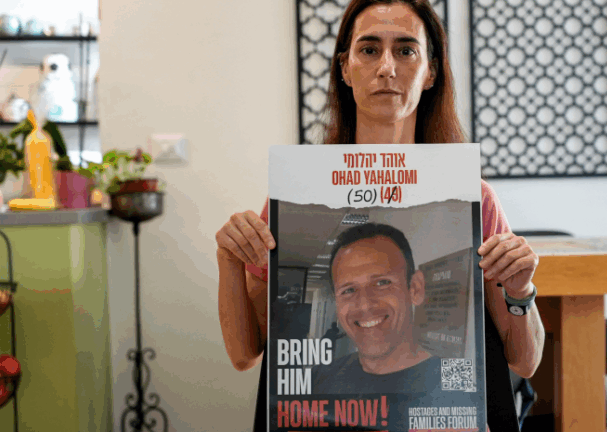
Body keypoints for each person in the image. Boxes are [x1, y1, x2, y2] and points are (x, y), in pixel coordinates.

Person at [215, 1, 545, 430]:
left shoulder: (472, 198)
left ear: (431, 71)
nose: (387, 68)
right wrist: (228, 259)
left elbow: (525, 362)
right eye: (369, 50)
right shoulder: (295, 196)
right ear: (345, 68)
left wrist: (520, 291)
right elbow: (244, 355)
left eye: (406, 50)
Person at [311, 222, 442, 394]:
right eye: (348, 290)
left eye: (382, 283)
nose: (364, 304)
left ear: (415, 289)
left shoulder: (459, 382)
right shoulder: (321, 378)